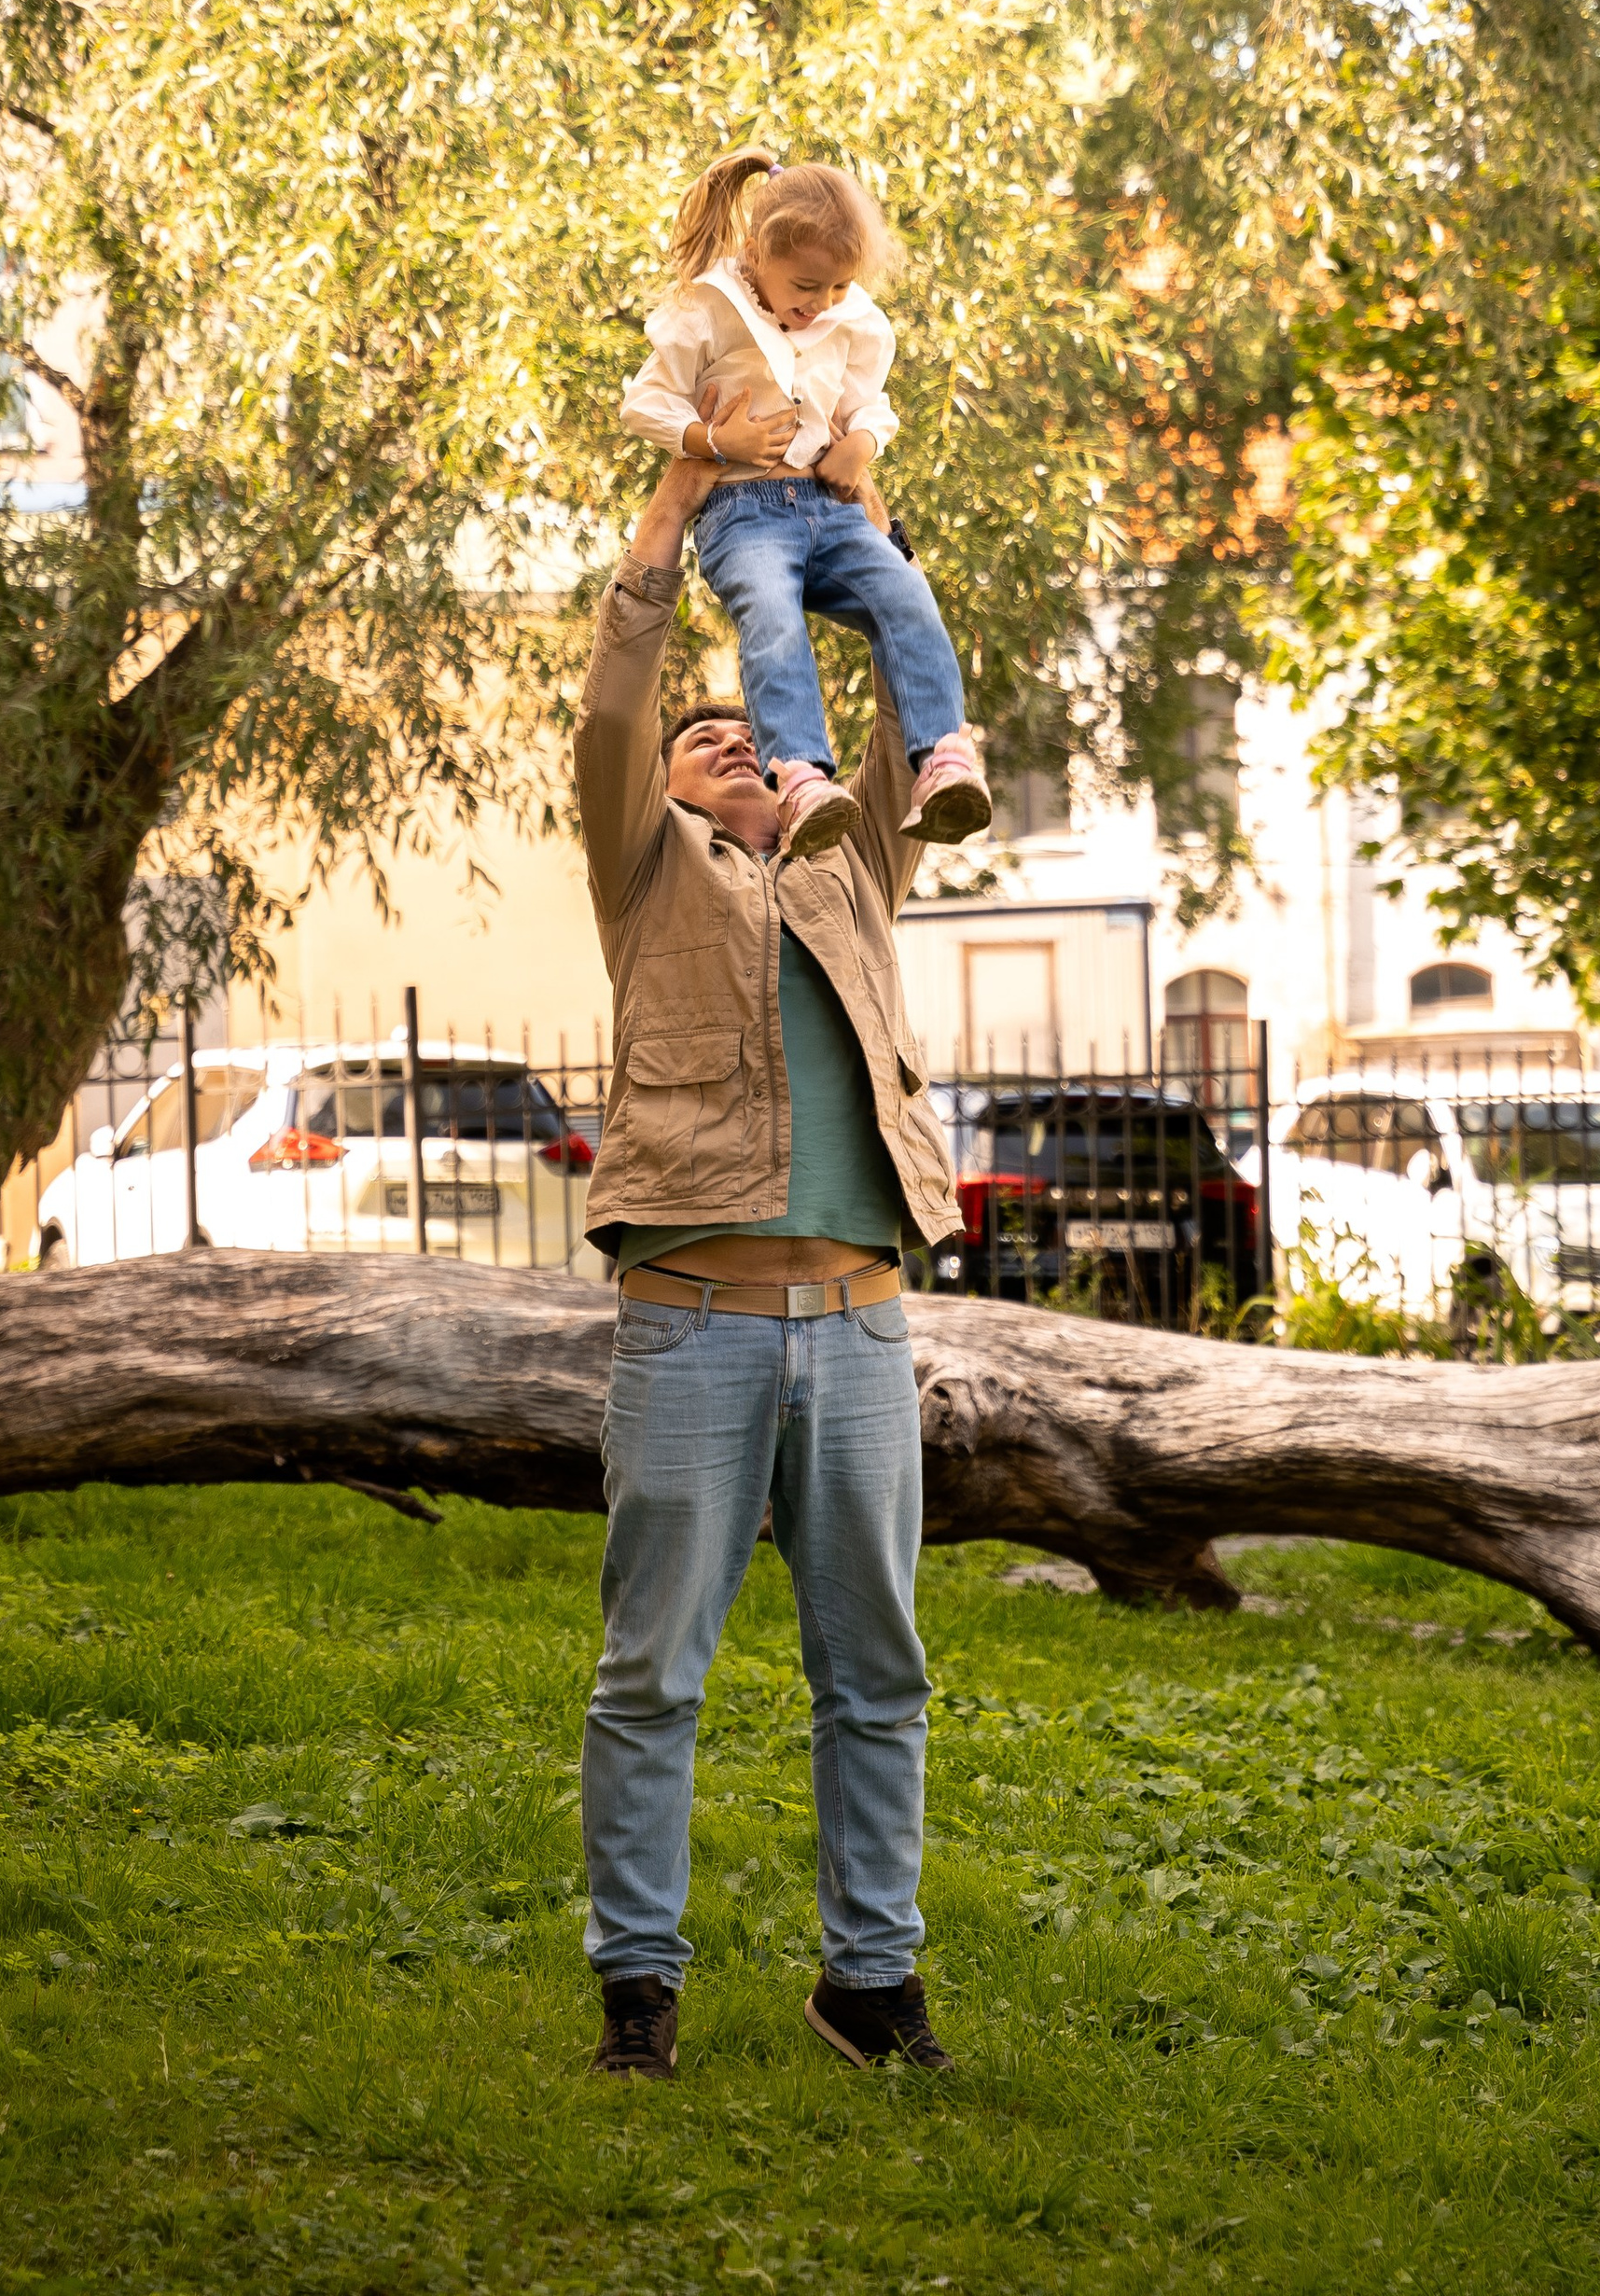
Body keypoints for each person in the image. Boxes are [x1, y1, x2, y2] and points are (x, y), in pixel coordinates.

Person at [571, 445, 966, 2081]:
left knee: (876, 1672)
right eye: (701, 743)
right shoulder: (647, 870)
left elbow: (892, 725)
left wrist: (849, 529)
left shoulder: (850, 852)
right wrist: (669, 533)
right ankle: (637, 1996)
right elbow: (616, 718)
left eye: (748, 730)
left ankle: (869, 1987)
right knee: (652, 1673)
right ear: (663, 795)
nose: (727, 741)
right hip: (695, 1327)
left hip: (864, 1331)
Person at [619, 146, 993, 857]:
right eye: (806, 284)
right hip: (745, 514)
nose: (819, 303)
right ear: (757, 250)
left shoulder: (851, 321)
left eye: (837, 287)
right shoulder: (707, 307)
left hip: (832, 508)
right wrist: (710, 437)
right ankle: (800, 776)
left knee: (906, 596)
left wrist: (864, 446)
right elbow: (645, 404)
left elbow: (868, 406)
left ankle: (942, 756)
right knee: (773, 616)